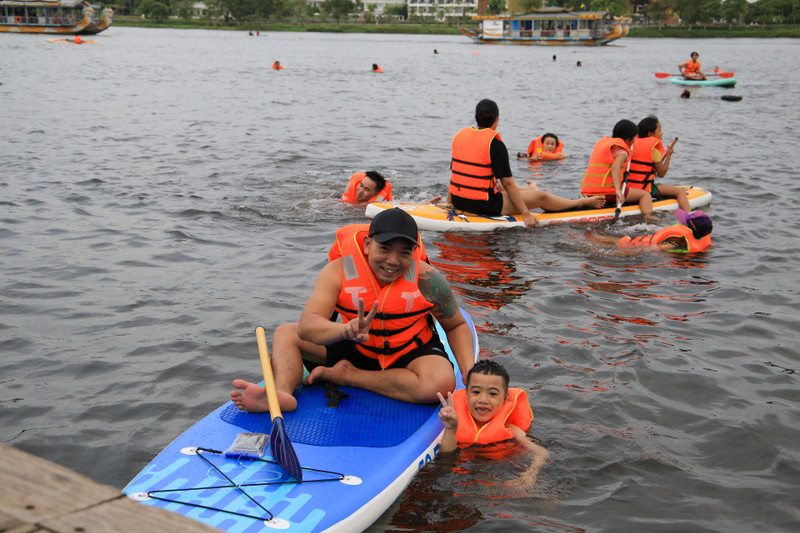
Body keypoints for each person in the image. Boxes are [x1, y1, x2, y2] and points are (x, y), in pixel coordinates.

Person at [231, 208, 476, 413]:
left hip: (407, 351)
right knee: (286, 333)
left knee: (441, 385)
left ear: (414, 253)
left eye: (404, 252)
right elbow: (308, 326)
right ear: (368, 244)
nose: (393, 261)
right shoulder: (338, 271)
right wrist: (345, 329)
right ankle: (280, 394)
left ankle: (348, 376)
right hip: (354, 346)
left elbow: (455, 325)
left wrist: (468, 373)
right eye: (385, 248)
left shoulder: (427, 278)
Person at [449, 99, 604, 228]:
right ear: (496, 119)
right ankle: (580, 202)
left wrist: (450, 203)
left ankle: (530, 188)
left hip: (458, 200)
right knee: (540, 196)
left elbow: (456, 173)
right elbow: (508, 183)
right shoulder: (494, 144)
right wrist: (525, 213)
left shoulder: (459, 137)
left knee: (499, 187)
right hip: (483, 205)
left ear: (476, 117)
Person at [436, 360, 549, 483]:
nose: (483, 400)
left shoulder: (510, 428)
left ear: (505, 399)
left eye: (492, 394)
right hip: (460, 475)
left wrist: (529, 475)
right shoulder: (455, 422)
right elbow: (445, 459)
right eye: (476, 392)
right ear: (466, 394)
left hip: (499, 474)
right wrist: (451, 429)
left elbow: (541, 452)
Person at [581, 119, 657, 217]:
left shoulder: (605, 143)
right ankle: (649, 217)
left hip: (590, 192)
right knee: (645, 195)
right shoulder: (622, 151)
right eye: (634, 139)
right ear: (629, 139)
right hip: (608, 193)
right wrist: (618, 190)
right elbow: (615, 167)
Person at [629, 116, 690, 212]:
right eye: (659, 130)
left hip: (629, 188)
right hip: (644, 188)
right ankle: (689, 217)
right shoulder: (654, 151)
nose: (662, 133)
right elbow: (661, 173)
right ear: (650, 134)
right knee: (680, 192)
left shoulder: (631, 144)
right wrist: (668, 156)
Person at [616, 208, 713, 253]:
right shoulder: (700, 239)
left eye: (683, 222)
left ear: (688, 229)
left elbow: (649, 249)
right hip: (645, 240)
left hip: (631, 244)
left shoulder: (672, 244)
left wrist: (617, 253)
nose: (680, 222)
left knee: (607, 239)